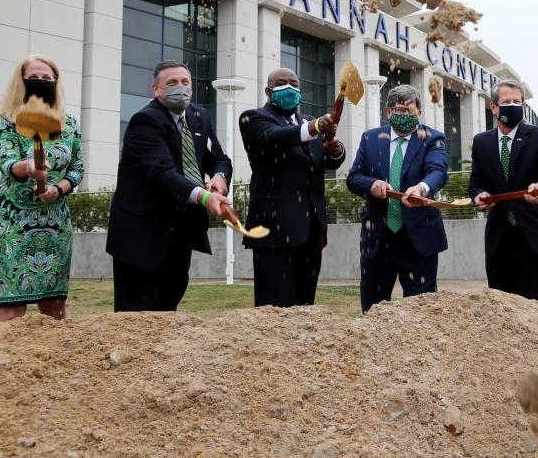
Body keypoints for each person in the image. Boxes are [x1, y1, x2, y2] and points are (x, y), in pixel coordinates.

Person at [106, 60, 232, 311]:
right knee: (137, 315)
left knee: (169, 305)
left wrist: (219, 177)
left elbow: (219, 158)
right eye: (172, 83)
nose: (180, 88)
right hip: (142, 235)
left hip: (180, 232)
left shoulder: (200, 117)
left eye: (185, 82)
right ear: (156, 89)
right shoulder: (145, 121)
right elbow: (162, 172)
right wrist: (205, 198)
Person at [0, 54, 84, 321]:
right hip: (11, 221)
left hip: (55, 221)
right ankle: (8, 362)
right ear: (21, 81)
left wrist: (59, 189)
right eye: (33, 78)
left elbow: (77, 169)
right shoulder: (5, 119)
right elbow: (8, 163)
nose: (40, 82)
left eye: (46, 78)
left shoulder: (70, 122)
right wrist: (29, 167)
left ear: (56, 82)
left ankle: (52, 360)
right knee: (12, 307)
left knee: (55, 306)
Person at [239, 67, 345, 307]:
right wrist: (315, 128)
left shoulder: (308, 122)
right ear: (268, 91)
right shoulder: (254, 118)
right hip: (274, 231)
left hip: (311, 230)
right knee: (274, 308)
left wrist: (335, 151)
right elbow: (275, 138)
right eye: (281, 82)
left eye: (294, 83)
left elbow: (323, 160)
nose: (289, 87)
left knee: (305, 305)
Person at [346, 84, 449, 313]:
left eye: (409, 111)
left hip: (418, 239)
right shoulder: (370, 138)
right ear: (388, 112)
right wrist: (372, 184)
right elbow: (353, 178)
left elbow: (438, 172)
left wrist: (422, 189)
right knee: (373, 310)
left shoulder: (433, 138)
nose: (404, 115)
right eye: (399, 110)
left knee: (421, 313)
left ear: (419, 113)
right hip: (378, 240)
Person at [469, 79, 538, 304]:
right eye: (506, 101)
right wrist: (478, 196)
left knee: (537, 308)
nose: (512, 105)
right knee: (502, 309)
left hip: (533, 237)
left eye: (517, 101)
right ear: (494, 107)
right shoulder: (481, 142)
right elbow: (476, 183)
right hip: (499, 239)